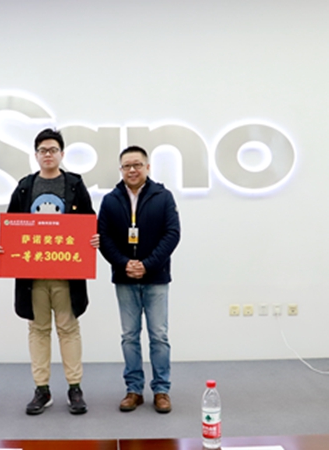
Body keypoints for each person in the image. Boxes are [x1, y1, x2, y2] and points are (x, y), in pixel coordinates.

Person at [0, 128, 99, 416]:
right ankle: (41, 389)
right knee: (38, 330)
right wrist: (5, 248)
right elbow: (11, 227)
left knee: (69, 328)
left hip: (67, 274)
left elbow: (89, 222)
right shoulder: (25, 187)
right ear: (36, 155)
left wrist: (93, 238)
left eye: (53, 150)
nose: (48, 154)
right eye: (43, 150)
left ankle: (74, 387)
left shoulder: (75, 185)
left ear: (62, 154)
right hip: (33, 277)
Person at [98, 145, 180, 414]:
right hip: (124, 279)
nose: (132, 170)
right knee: (129, 336)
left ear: (147, 167)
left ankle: (161, 390)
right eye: (126, 166)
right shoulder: (111, 200)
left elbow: (172, 234)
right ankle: (134, 390)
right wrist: (125, 264)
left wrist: (147, 265)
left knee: (159, 336)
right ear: (120, 169)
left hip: (156, 277)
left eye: (137, 165)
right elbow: (104, 238)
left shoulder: (163, 197)